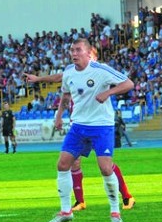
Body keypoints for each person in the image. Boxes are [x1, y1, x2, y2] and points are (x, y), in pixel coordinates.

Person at [24, 50, 136, 212]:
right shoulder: (73, 72)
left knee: (106, 165)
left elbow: (126, 84)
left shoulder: (100, 72)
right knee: (72, 162)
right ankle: (80, 201)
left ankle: (127, 196)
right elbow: (60, 82)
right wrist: (40, 81)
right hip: (80, 124)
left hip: (98, 124)